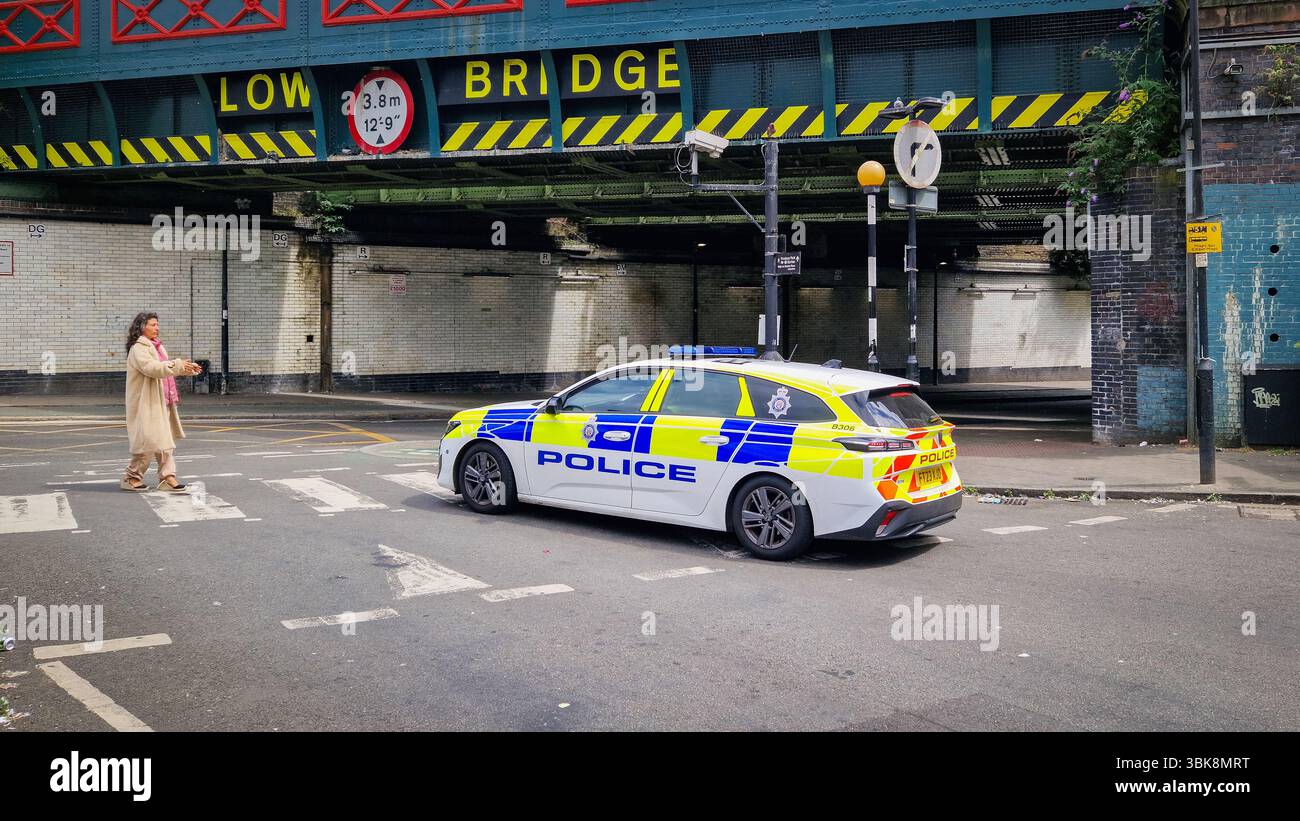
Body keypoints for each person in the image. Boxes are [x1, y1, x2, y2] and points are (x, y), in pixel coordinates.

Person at [119, 312, 203, 492]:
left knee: (165, 442)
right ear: (142, 327)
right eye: (153, 325)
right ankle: (131, 477)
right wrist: (177, 365)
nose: (157, 328)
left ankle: (168, 477)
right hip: (147, 403)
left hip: (162, 399)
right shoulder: (138, 349)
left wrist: (186, 368)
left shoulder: (157, 347)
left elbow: (165, 369)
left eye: (157, 325)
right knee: (148, 442)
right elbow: (152, 369)